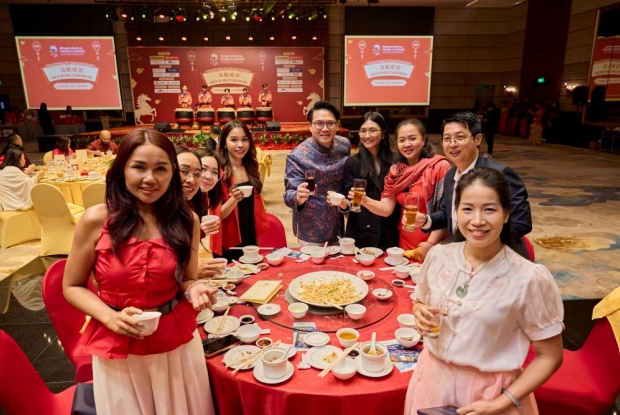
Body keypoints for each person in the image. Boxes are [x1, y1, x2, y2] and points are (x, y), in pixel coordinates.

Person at [63, 129, 216, 415]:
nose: (150, 178)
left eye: (161, 169)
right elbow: (72, 285)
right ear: (122, 169)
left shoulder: (187, 220)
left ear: (172, 173)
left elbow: (188, 279)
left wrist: (195, 289)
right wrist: (109, 317)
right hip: (119, 346)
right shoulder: (97, 219)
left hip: (176, 344)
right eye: (139, 167)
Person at [406, 167, 563, 415]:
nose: (477, 220)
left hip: (490, 396)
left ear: (506, 214)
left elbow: (550, 356)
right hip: (431, 383)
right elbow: (419, 300)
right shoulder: (438, 256)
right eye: (467, 209)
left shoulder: (528, 278)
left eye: (489, 209)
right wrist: (419, 311)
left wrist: (501, 403)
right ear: (456, 212)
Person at [416, 111, 532, 258]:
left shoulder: (500, 174)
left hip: (498, 257)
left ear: (477, 139)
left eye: (460, 137)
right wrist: (426, 220)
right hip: (461, 255)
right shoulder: (450, 175)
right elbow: (448, 214)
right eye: (447, 139)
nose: (453, 144)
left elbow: (522, 222)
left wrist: (479, 240)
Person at [360, 118, 450, 256]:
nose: (407, 144)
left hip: (432, 244)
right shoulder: (396, 171)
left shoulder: (439, 166)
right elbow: (386, 209)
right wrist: (365, 200)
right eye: (402, 140)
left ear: (424, 139)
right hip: (404, 242)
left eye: (412, 139)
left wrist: (430, 244)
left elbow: (446, 212)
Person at [284, 100, 350, 245]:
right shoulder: (297, 156)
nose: (325, 129)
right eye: (319, 123)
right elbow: (288, 195)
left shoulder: (344, 145)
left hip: (338, 228)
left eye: (330, 123)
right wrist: (298, 196)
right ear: (310, 126)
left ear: (337, 125)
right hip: (310, 230)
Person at [336, 112, 399, 250]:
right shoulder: (352, 163)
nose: (367, 135)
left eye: (372, 130)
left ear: (383, 134)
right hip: (361, 230)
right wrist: (343, 203)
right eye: (363, 131)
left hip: (388, 229)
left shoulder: (396, 160)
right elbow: (348, 200)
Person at [215, 120, 267, 260]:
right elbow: (217, 216)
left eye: (244, 139)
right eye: (234, 140)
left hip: (251, 234)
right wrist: (234, 199)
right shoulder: (218, 172)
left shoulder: (251, 165)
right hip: (229, 240)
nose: (240, 145)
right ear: (224, 143)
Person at [193, 147, 228, 279]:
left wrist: (200, 231)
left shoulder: (201, 198)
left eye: (214, 172)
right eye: (203, 169)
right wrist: (192, 270)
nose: (208, 176)